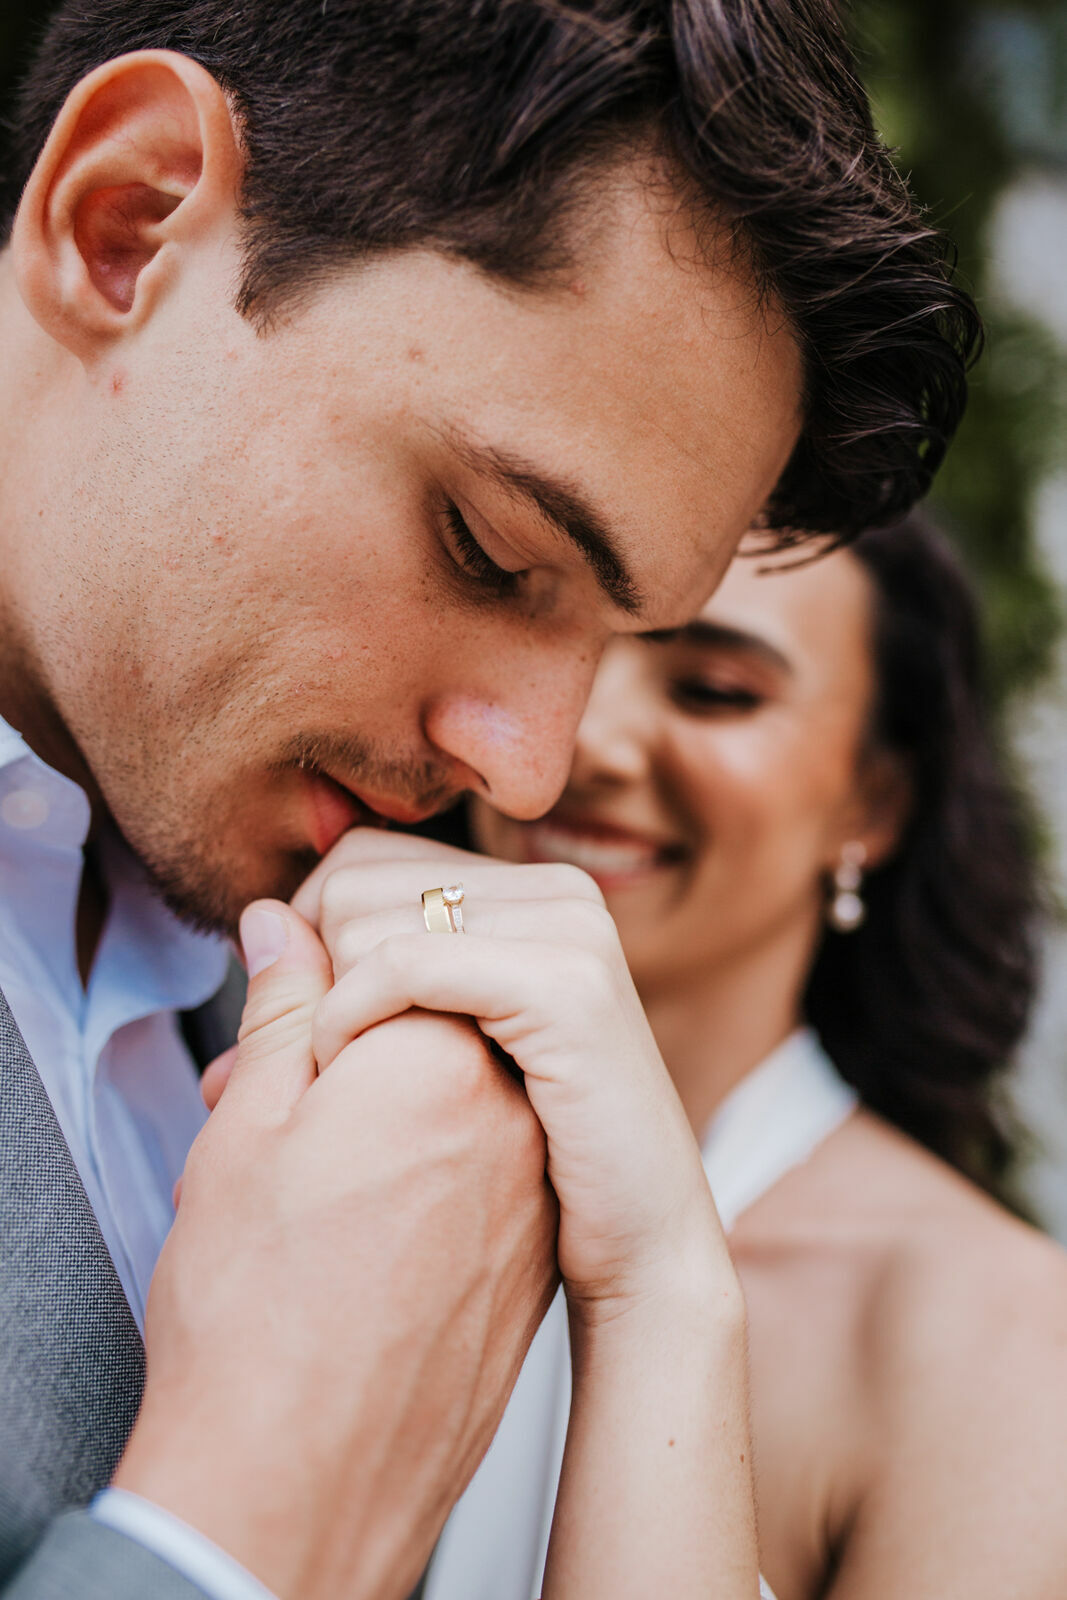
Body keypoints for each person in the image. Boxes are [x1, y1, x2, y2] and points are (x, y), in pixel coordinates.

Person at [0, 2, 980, 1597]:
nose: (524, 768)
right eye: (489, 551)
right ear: (130, 222)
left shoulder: (307, 1006)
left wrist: (662, 1299)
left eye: (628, 642)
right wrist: (251, 1525)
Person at [422, 512, 1067, 1600]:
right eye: (552, 645)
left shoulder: (996, 1344)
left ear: (872, 803)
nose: (585, 738)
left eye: (714, 690)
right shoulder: (277, 1109)